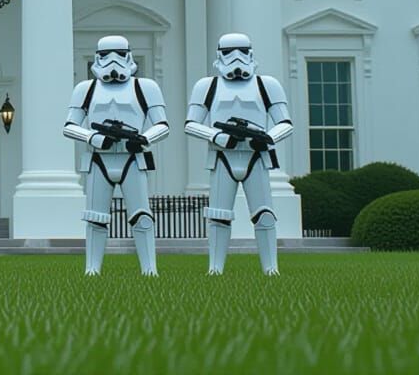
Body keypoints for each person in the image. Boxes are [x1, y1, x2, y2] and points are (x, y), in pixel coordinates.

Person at [183, 33, 294, 275]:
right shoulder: (207, 86)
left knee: (264, 215)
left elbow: (285, 123)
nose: (236, 57)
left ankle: (271, 269)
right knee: (218, 216)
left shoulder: (267, 85)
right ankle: (215, 269)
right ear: (219, 55)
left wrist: (267, 138)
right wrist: (216, 136)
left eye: (242, 51)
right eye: (229, 52)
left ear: (250, 53)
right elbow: (191, 124)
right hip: (223, 156)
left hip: (256, 156)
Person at [62, 35, 171, 275]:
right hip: (98, 158)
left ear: (128, 56)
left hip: (133, 158)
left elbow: (162, 125)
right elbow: (69, 126)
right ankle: (92, 269)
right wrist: (93, 138)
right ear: (97, 57)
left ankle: (149, 269)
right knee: (95, 218)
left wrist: (144, 139)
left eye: (119, 54)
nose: (113, 60)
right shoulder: (85, 89)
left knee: (142, 216)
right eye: (106, 54)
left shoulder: (145, 87)